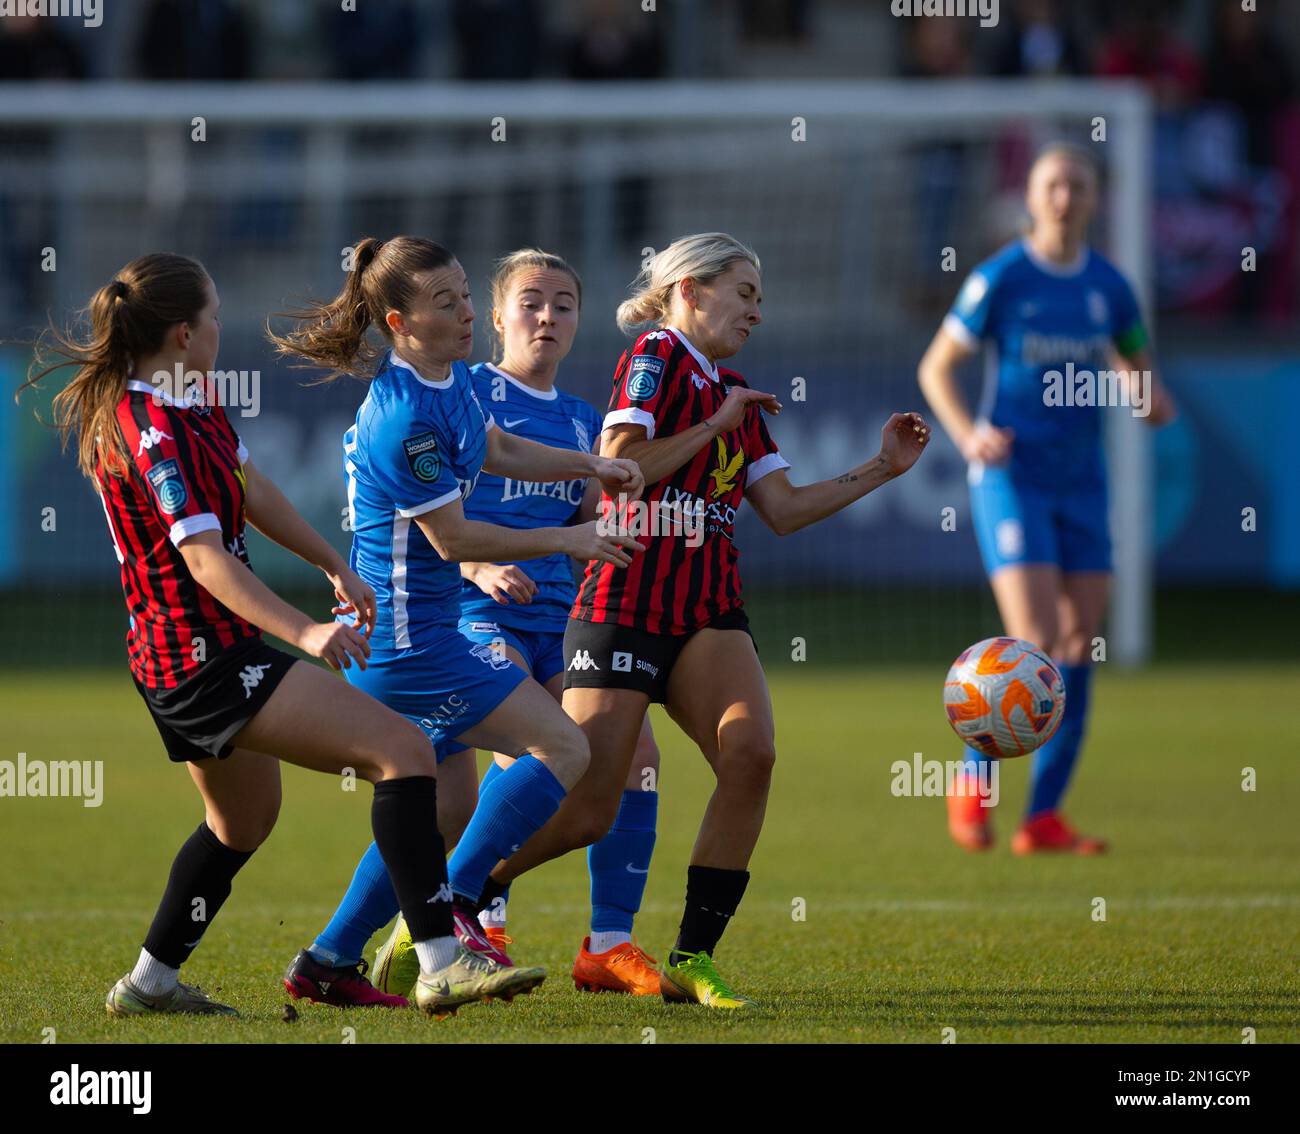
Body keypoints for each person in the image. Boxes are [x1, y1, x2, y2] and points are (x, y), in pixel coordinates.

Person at [19, 252, 529, 1019]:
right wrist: (307, 632)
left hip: (185, 657)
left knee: (243, 820)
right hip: (203, 659)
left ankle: (151, 983)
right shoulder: (151, 425)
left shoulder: (191, 395)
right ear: (186, 333)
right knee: (403, 750)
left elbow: (252, 488)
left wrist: (329, 561)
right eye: (216, 317)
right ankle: (440, 962)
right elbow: (203, 561)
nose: (223, 329)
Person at [457, 232, 931, 1008]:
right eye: (744, 291)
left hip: (708, 607)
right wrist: (716, 422)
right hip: (626, 604)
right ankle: (458, 900)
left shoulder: (735, 389)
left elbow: (782, 510)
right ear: (689, 289)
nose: (754, 309)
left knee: (752, 753)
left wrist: (882, 467)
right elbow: (621, 462)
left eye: (759, 298)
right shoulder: (656, 354)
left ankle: (694, 954)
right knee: (587, 805)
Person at [268, 236, 645, 1006]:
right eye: (448, 303)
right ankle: (458, 921)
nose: (469, 311)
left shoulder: (455, 384)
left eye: (468, 293)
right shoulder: (404, 416)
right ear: (401, 321)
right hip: (408, 640)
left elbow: (497, 446)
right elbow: (456, 538)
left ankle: (329, 960)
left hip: (420, 632)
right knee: (563, 745)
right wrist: (569, 536)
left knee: (441, 809)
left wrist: (588, 465)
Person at [370, 248, 664, 999]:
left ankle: (609, 941)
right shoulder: (462, 388)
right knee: (481, 776)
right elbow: (442, 524)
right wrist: (474, 570)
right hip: (466, 613)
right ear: (495, 316)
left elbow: (587, 517)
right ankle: (479, 919)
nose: (547, 316)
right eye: (530, 302)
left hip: (558, 616)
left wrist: (620, 499)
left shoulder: (580, 419)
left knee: (633, 753)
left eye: (564, 304)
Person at [917, 143, 1175, 854]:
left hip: (1083, 481)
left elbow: (1143, 380)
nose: (1065, 197)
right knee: (1030, 642)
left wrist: (1149, 399)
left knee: (1077, 646)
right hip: (1013, 475)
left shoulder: (1111, 288)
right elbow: (937, 366)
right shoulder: (1003, 277)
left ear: (1095, 198)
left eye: (1078, 186)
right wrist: (970, 435)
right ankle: (973, 787)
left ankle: (1043, 819)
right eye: (1053, 185)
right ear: (1032, 197)